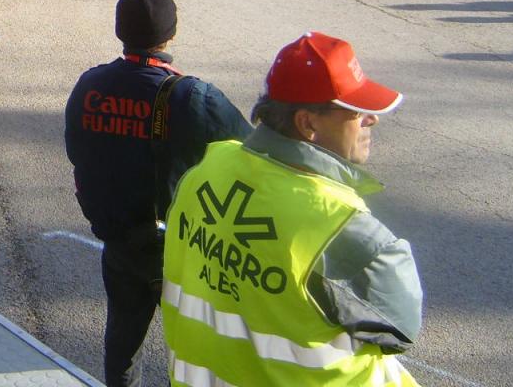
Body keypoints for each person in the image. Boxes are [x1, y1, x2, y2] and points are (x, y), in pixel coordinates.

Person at [161, 31, 422, 387]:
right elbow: (400, 330)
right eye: (356, 110)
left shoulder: (205, 172)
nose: (370, 119)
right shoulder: (344, 228)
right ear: (308, 123)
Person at [64, 0, 251, 387]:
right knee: (191, 345)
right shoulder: (192, 95)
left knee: (123, 339)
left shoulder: (90, 85)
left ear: (120, 30)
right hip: (180, 249)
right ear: (171, 33)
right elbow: (251, 152)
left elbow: (76, 150)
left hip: (117, 238)